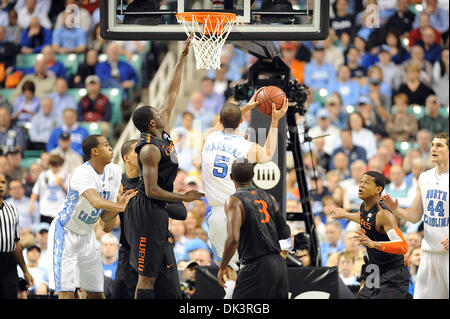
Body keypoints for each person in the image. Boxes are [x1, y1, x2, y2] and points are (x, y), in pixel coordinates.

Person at [124, 35, 204, 300]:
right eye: (156, 114)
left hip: (157, 200)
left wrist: (181, 59)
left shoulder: (162, 129)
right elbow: (152, 190)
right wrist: (182, 195)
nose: (161, 112)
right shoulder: (148, 150)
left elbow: (171, 92)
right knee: (146, 276)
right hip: (146, 204)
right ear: (151, 125)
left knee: (180, 215)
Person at [201, 88, 288, 276]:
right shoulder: (246, 147)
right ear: (241, 121)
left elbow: (226, 120)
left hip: (217, 214)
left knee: (228, 273)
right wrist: (275, 121)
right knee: (250, 270)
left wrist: (244, 108)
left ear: (220, 121)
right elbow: (267, 155)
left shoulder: (209, 137)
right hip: (241, 212)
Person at [47, 135, 137, 299]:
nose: (111, 148)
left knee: (97, 293)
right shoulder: (81, 173)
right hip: (66, 232)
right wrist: (120, 206)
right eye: (106, 145)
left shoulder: (114, 171)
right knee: (66, 292)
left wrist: (118, 203)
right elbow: (95, 201)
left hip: (87, 234)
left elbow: (106, 224)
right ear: (94, 151)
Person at [381, 132, 449, 299]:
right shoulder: (424, 177)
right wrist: (396, 209)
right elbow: (415, 215)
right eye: (433, 144)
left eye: (439, 145)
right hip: (429, 252)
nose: (434, 148)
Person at [217, 158, 291, 299]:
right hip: (278, 264)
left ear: (231, 177)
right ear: (253, 175)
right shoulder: (269, 198)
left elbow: (233, 239)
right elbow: (285, 232)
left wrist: (223, 266)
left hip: (256, 266)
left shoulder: (234, 201)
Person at [332, 171, 410, 299]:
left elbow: (403, 246)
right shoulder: (364, 207)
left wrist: (374, 244)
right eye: (361, 182)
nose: (361, 185)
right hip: (374, 270)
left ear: (378, 189)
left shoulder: (384, 214)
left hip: (393, 275)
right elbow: (364, 218)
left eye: (366, 183)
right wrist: (346, 214)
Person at [0, 173, 34, 299]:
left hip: (9, 263)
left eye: (3, 182)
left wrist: (25, 271)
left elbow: (16, 245)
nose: (0, 185)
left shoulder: (12, 210)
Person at [29, 154, 69, 225]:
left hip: (59, 211)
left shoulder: (66, 175)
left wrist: (62, 184)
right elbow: (35, 191)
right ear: (50, 165)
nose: (55, 169)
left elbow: (70, 193)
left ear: (61, 165)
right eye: (53, 166)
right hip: (45, 210)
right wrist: (31, 203)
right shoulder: (44, 175)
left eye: (57, 166)